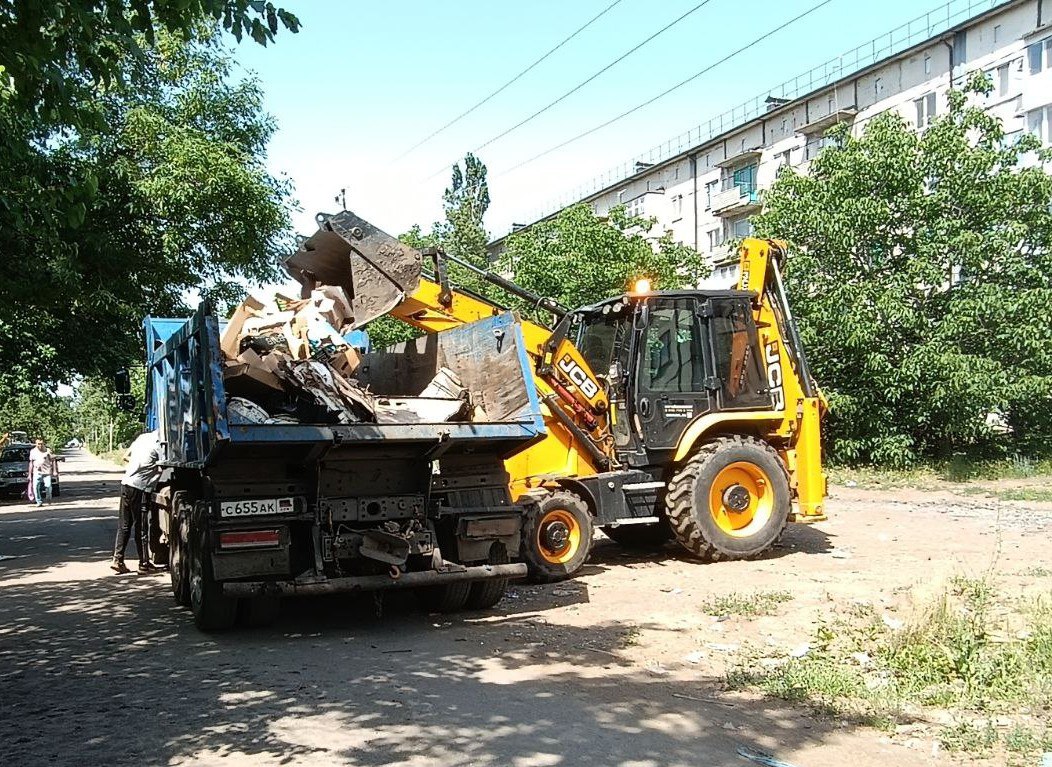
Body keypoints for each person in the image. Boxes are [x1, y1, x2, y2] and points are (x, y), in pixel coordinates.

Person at [112, 430, 163, 574]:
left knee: (124, 525)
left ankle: (118, 560)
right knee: (141, 527)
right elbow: (167, 465)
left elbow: (125, 456)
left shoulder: (142, 437)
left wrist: (138, 466)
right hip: (139, 488)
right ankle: (144, 563)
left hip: (126, 483)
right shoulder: (159, 446)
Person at [28, 438, 57, 507]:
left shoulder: (47, 450)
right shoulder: (33, 451)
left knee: (48, 486)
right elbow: (31, 463)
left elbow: (53, 460)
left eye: (41, 444)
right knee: (36, 487)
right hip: (37, 472)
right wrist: (29, 474)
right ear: (36, 444)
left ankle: (49, 497)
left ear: (43, 443)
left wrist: (54, 471)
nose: (40, 445)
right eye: (38, 444)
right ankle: (39, 501)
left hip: (46, 472)